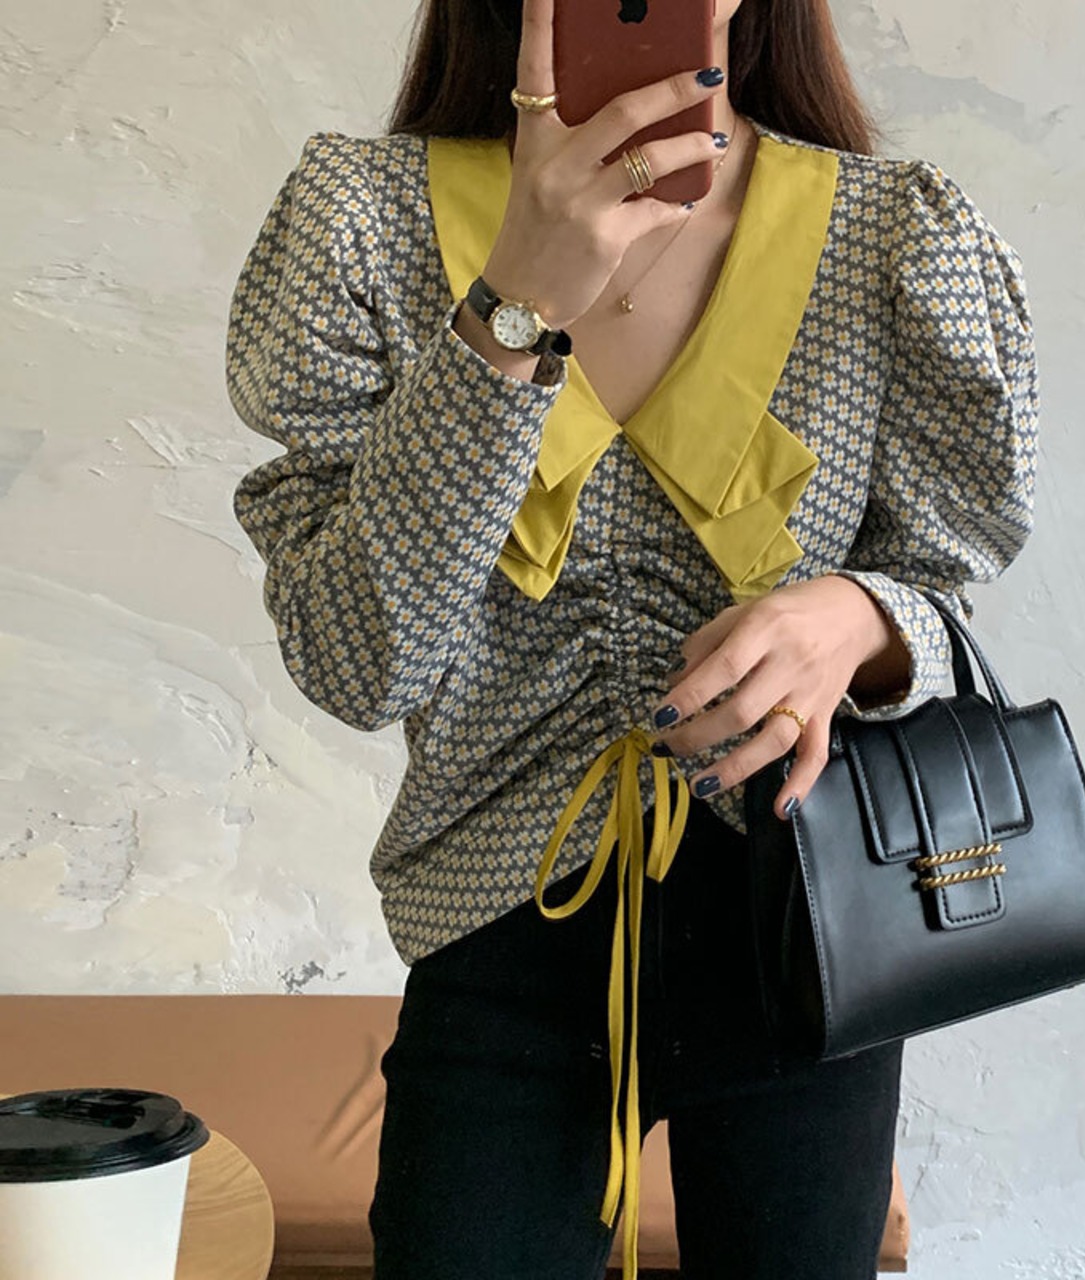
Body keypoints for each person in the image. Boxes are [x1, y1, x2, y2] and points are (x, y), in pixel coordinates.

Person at [224, 0, 1039, 1274]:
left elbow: (942, 590)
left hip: (808, 918)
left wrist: (858, 616)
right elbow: (356, 662)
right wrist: (512, 304)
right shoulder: (361, 221)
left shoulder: (895, 238)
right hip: (494, 934)